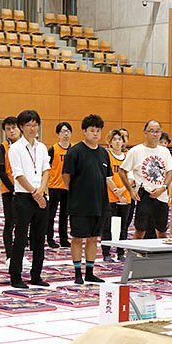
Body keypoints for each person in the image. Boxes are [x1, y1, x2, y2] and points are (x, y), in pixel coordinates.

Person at [63, 115, 113, 283]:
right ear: (84, 131)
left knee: (93, 238)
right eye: (92, 130)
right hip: (79, 204)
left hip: (100, 204)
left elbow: (107, 177)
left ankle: (90, 272)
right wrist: (77, 194)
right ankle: (78, 273)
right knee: (77, 238)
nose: (95, 134)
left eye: (98, 131)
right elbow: (66, 177)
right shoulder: (75, 151)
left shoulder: (104, 153)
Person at [7, 110, 51, 289]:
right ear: (21, 127)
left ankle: (36, 275)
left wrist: (41, 191)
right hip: (24, 197)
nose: (32, 128)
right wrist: (35, 192)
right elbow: (18, 175)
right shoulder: (15, 148)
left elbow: (46, 170)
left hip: (41, 194)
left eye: (35, 124)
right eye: (28, 125)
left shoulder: (41, 147)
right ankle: (15, 276)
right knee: (20, 237)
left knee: (40, 237)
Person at [118, 120, 172, 239]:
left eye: (157, 131)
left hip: (161, 196)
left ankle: (161, 256)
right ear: (145, 133)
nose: (155, 134)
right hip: (144, 196)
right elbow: (122, 171)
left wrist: (163, 188)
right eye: (151, 131)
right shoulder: (135, 151)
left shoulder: (165, 151)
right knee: (140, 231)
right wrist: (131, 190)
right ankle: (134, 255)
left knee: (162, 231)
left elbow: (170, 172)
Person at [0, 116, 21, 264]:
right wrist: (13, 189)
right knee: (10, 223)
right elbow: (1, 171)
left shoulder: (26, 146)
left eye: (14, 128)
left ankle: (20, 255)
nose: (12, 131)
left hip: (26, 191)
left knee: (22, 225)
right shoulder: (3, 147)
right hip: (9, 192)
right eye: (8, 129)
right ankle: (10, 255)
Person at [101, 129, 131, 261]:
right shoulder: (107, 156)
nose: (118, 142)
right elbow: (107, 178)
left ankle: (121, 252)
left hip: (126, 196)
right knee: (107, 226)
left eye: (120, 139)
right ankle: (106, 253)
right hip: (110, 197)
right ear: (110, 142)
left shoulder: (128, 156)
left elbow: (132, 177)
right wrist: (117, 192)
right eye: (115, 139)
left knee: (123, 226)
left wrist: (123, 189)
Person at [46, 122, 72, 249]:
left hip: (68, 187)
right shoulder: (53, 149)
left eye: (68, 131)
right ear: (58, 134)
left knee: (64, 215)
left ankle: (63, 238)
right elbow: (46, 168)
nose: (66, 134)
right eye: (63, 131)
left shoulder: (73, 150)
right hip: (54, 186)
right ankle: (49, 238)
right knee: (51, 214)